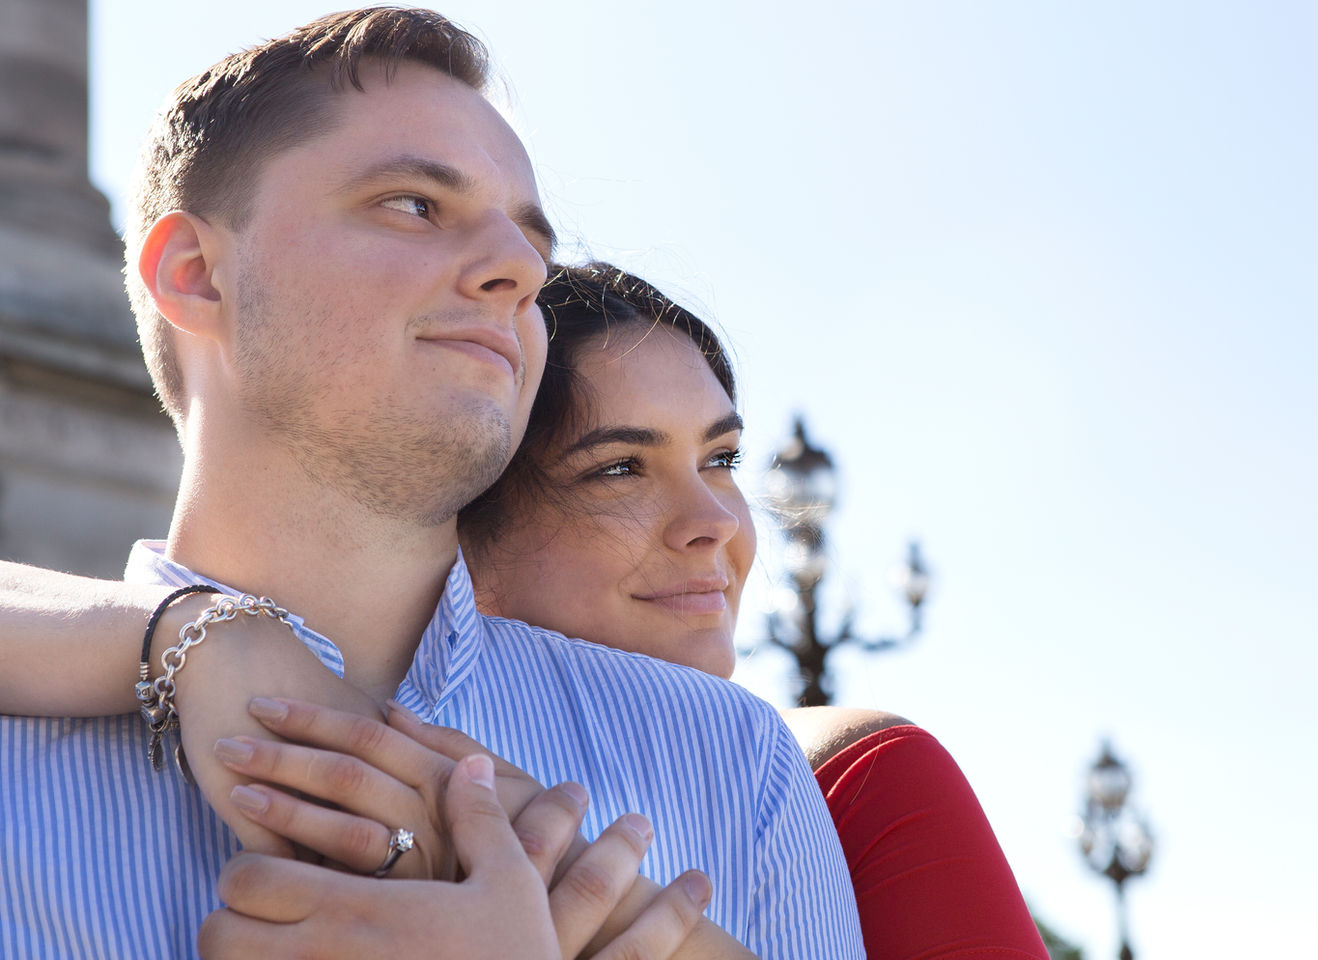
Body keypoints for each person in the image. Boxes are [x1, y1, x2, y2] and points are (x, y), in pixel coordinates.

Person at [0, 9, 863, 959]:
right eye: (413, 203)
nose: (518, 274)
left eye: (530, 246)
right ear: (197, 274)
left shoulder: (734, 771)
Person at [5, 261, 1046, 959]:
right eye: (620, 469)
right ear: (463, 522)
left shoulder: (839, 779)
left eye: (722, 458)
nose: (715, 523)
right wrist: (199, 635)